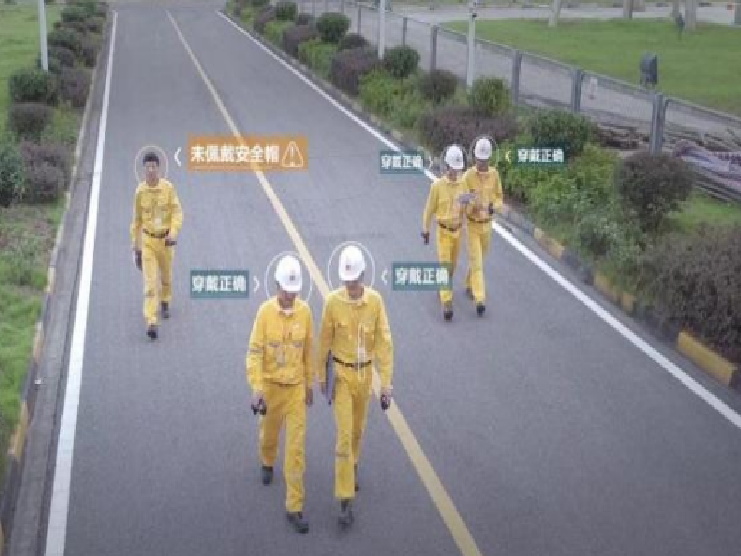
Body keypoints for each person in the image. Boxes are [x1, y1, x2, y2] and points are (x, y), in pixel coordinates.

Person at [317, 245, 394, 528]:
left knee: (358, 430)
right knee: (344, 434)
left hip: (365, 377)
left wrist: (386, 383)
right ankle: (345, 497)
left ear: (362, 276)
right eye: (346, 280)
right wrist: (320, 377)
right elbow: (324, 341)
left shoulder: (375, 302)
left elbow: (384, 343)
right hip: (341, 376)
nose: (350, 285)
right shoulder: (332, 303)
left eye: (354, 280)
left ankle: (352, 464)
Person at [246, 255, 314, 534]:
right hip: (271, 388)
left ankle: (294, 506)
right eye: (287, 290)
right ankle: (267, 459)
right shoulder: (264, 314)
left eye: (294, 291)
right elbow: (254, 353)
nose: (291, 296)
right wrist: (257, 388)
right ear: (277, 286)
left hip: (295, 389)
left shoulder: (305, 313)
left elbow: (308, 351)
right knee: (269, 435)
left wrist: (309, 384)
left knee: (296, 450)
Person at [130, 152, 183, 340]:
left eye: (154, 166)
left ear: (159, 168)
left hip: (165, 241)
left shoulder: (168, 189)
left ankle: (165, 300)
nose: (151, 170)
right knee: (150, 283)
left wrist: (173, 232)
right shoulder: (140, 192)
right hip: (148, 242)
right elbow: (136, 221)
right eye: (148, 167)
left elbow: (177, 212)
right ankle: (151, 321)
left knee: (166, 277)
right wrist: (136, 247)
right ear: (143, 169)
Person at [422, 144, 469, 321]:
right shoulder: (437, 186)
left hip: (458, 231)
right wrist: (426, 229)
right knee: (445, 265)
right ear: (447, 166)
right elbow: (429, 209)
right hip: (443, 232)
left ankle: (443, 284)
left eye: (458, 169)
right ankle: (447, 302)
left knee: (452, 267)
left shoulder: (463, 185)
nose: (455, 172)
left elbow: (467, 208)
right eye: (453, 168)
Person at [463, 138, 503, 316]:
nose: (481, 163)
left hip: (487, 226)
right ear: (475, 158)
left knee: (478, 259)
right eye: (479, 160)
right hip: (472, 225)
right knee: (478, 263)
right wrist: (471, 204)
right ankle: (479, 298)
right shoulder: (468, 177)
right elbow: (461, 200)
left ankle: (468, 282)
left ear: (489, 159)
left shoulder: (494, 175)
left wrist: (495, 207)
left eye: (484, 160)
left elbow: (499, 197)